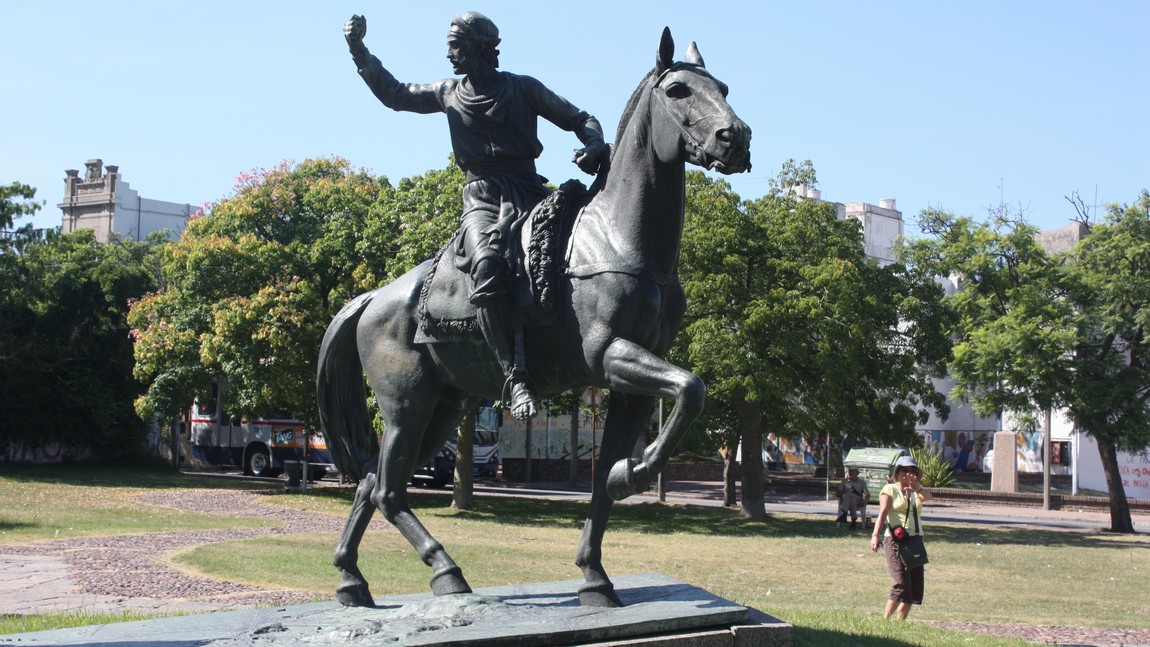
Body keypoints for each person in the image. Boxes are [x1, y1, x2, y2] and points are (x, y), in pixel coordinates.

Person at [343, 12, 609, 420]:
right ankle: (515, 376)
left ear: (480, 47)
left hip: (531, 192)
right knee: (486, 264)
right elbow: (395, 94)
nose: (449, 52)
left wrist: (593, 144)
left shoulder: (523, 89)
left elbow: (580, 119)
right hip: (481, 201)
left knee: (576, 252)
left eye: (456, 44)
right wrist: (360, 51)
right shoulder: (448, 92)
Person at [870, 455, 932, 620]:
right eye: (904, 470)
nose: (908, 473)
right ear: (897, 472)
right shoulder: (889, 489)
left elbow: (929, 497)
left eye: (912, 470)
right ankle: (885, 620)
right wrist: (875, 535)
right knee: (902, 583)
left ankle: (900, 622)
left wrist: (917, 488)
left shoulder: (916, 491)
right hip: (895, 541)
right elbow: (882, 514)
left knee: (914, 586)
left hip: (915, 542)